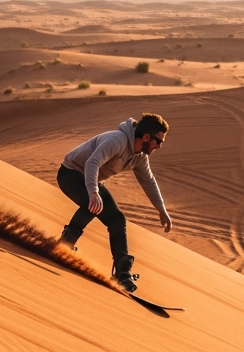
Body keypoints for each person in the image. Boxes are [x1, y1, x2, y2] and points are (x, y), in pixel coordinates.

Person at [56, 113, 172, 292]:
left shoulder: (140, 156)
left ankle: (122, 272)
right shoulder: (117, 140)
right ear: (146, 137)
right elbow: (92, 163)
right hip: (70, 173)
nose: (159, 146)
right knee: (93, 204)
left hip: (91, 181)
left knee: (117, 220)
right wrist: (93, 192)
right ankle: (64, 245)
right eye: (159, 141)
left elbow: (148, 181)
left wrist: (161, 210)